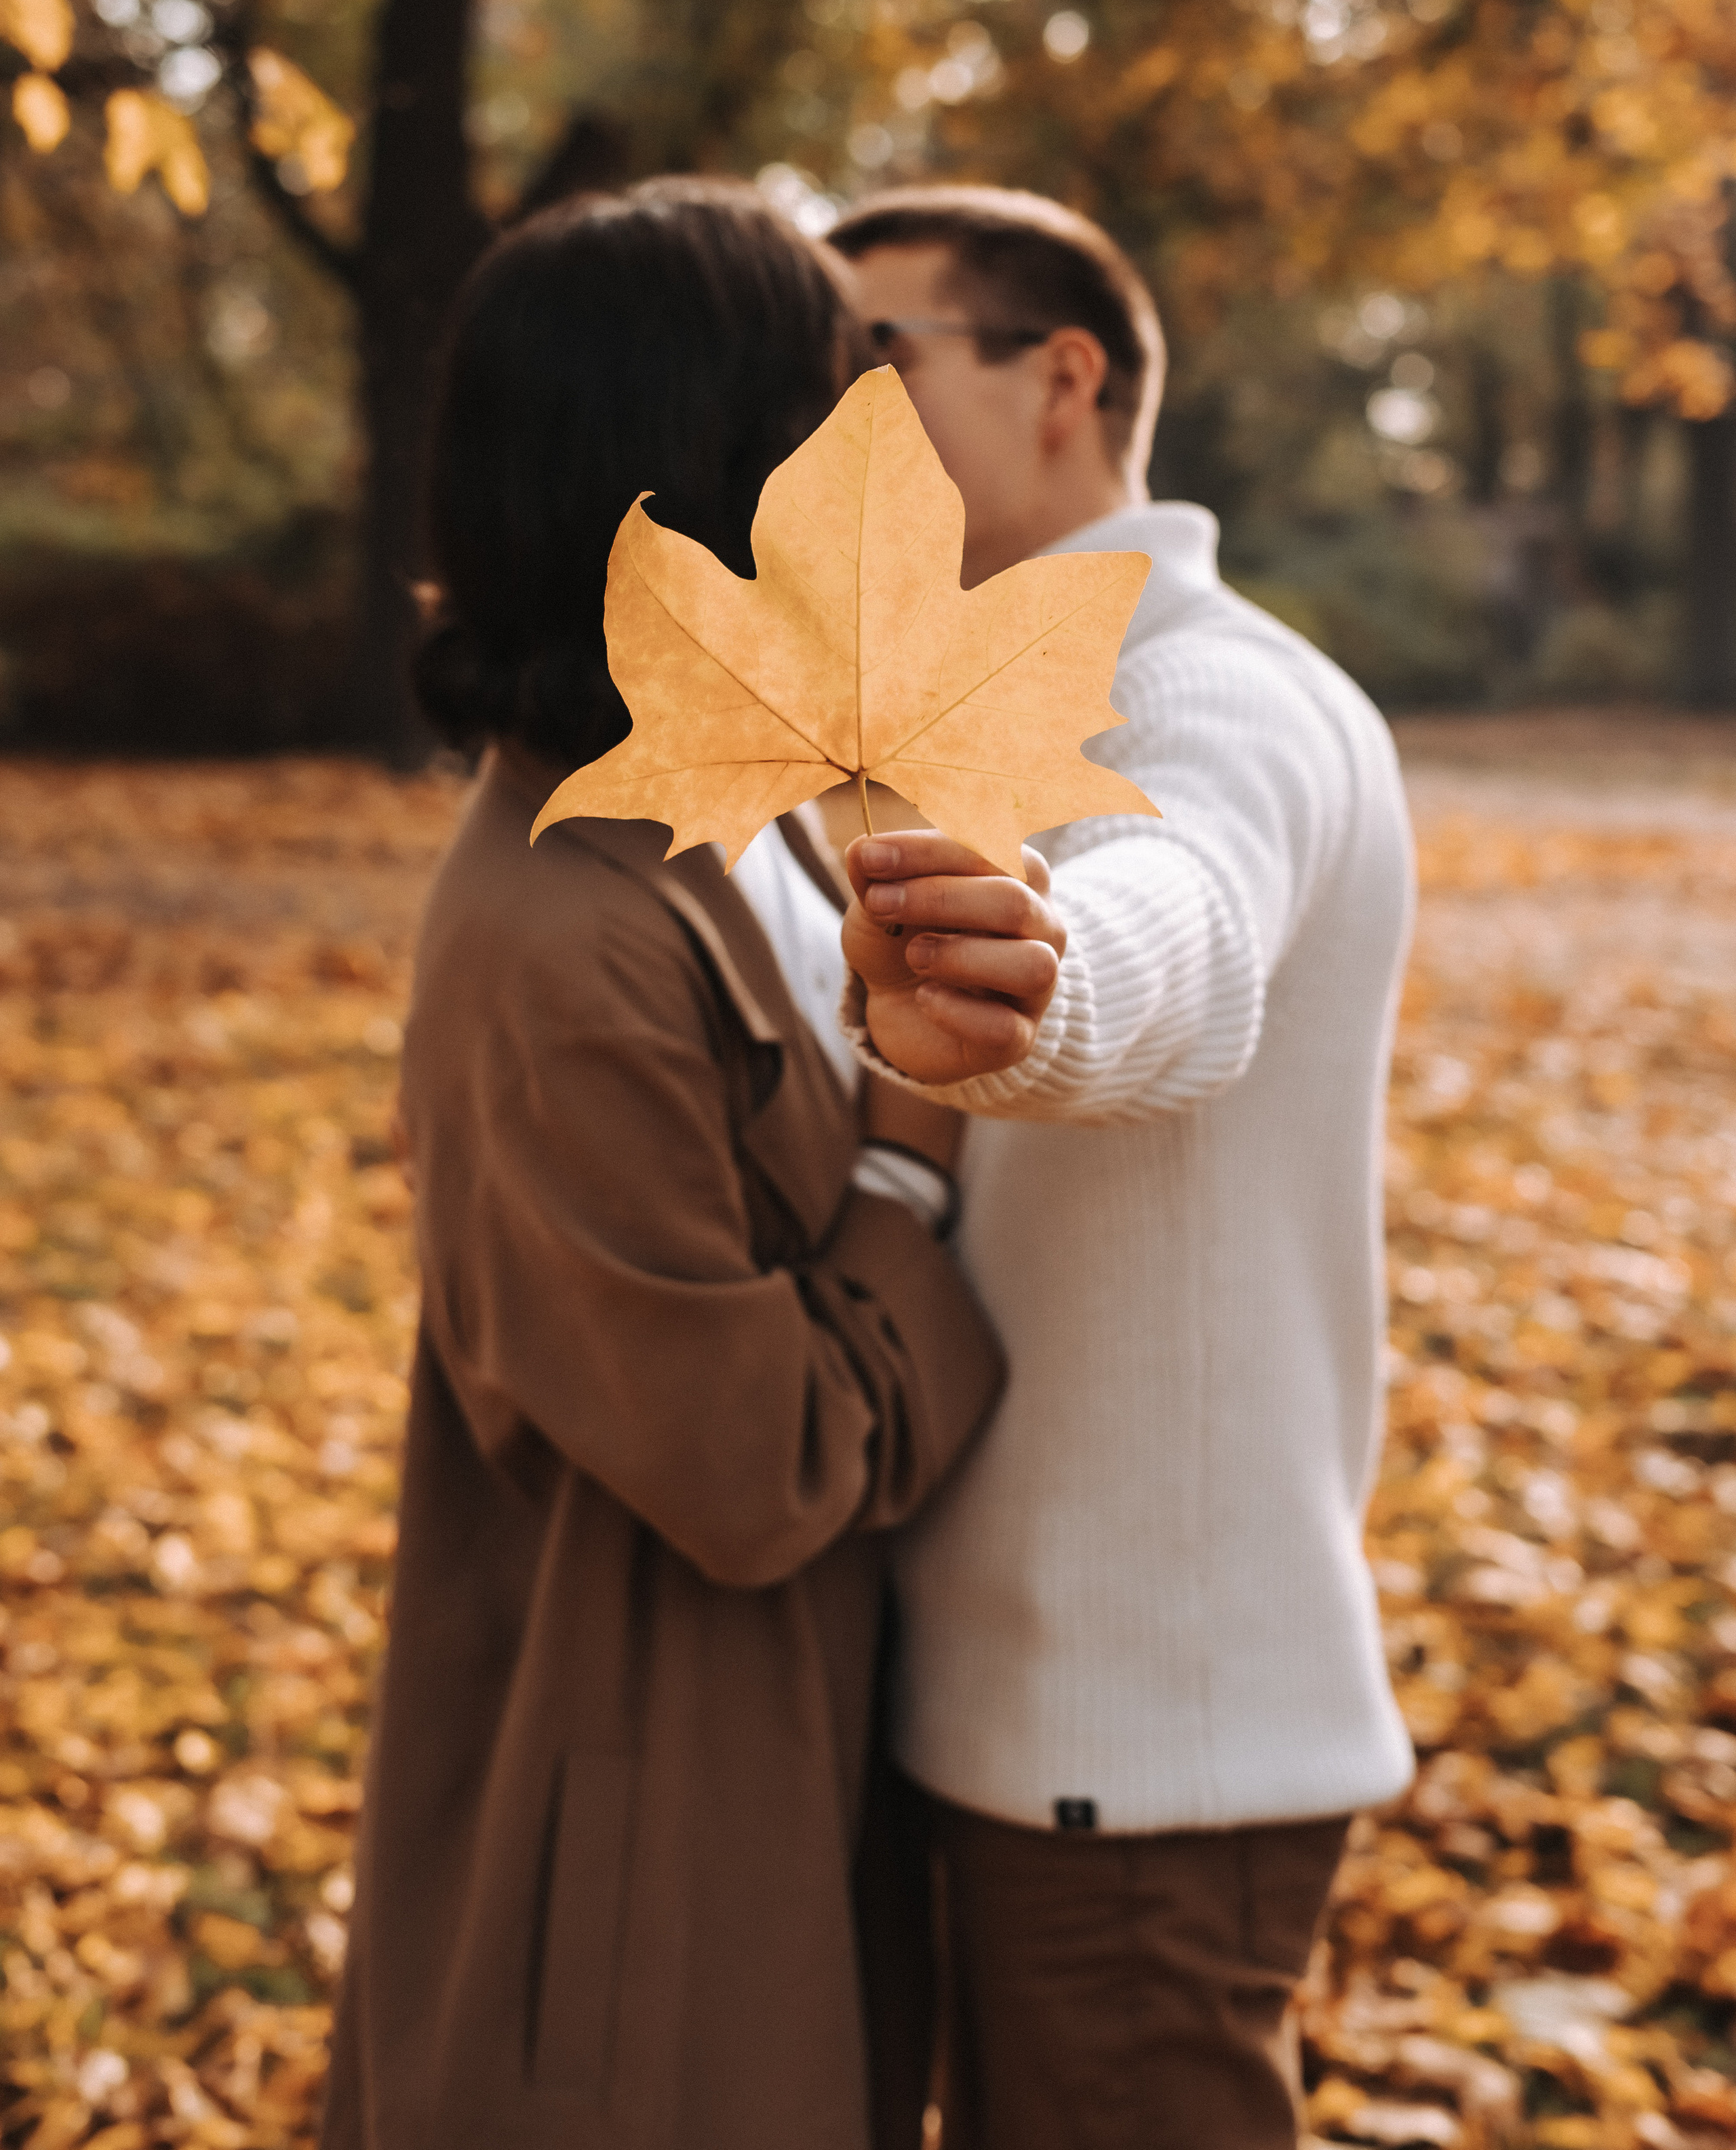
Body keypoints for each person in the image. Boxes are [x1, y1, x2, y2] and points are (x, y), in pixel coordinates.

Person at [321, 180, 1004, 2150]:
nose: (882, 468)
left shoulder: (758, 830)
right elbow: (750, 1460)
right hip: (631, 1853)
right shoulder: (558, 939)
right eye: (833, 409)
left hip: (792, 1768)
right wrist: (909, 1180)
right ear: (707, 477)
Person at [825, 186, 1417, 2150]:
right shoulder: (989, 704)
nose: (823, 419)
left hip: (1150, 1754)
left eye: (874, 359)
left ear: (1060, 378)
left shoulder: (1216, 691)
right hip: (1016, 1725)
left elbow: (1181, 913)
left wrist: (1042, 991)